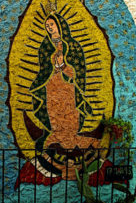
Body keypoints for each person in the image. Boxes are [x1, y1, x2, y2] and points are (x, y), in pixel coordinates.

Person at [28, 13, 101, 179]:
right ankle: (56, 135)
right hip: (51, 86)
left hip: (68, 88)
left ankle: (75, 138)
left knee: (69, 113)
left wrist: (64, 66)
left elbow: (79, 70)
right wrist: (53, 69)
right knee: (54, 113)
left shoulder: (73, 46)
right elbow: (44, 69)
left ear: (60, 25)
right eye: (47, 26)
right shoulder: (45, 46)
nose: (49, 28)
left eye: (52, 24)